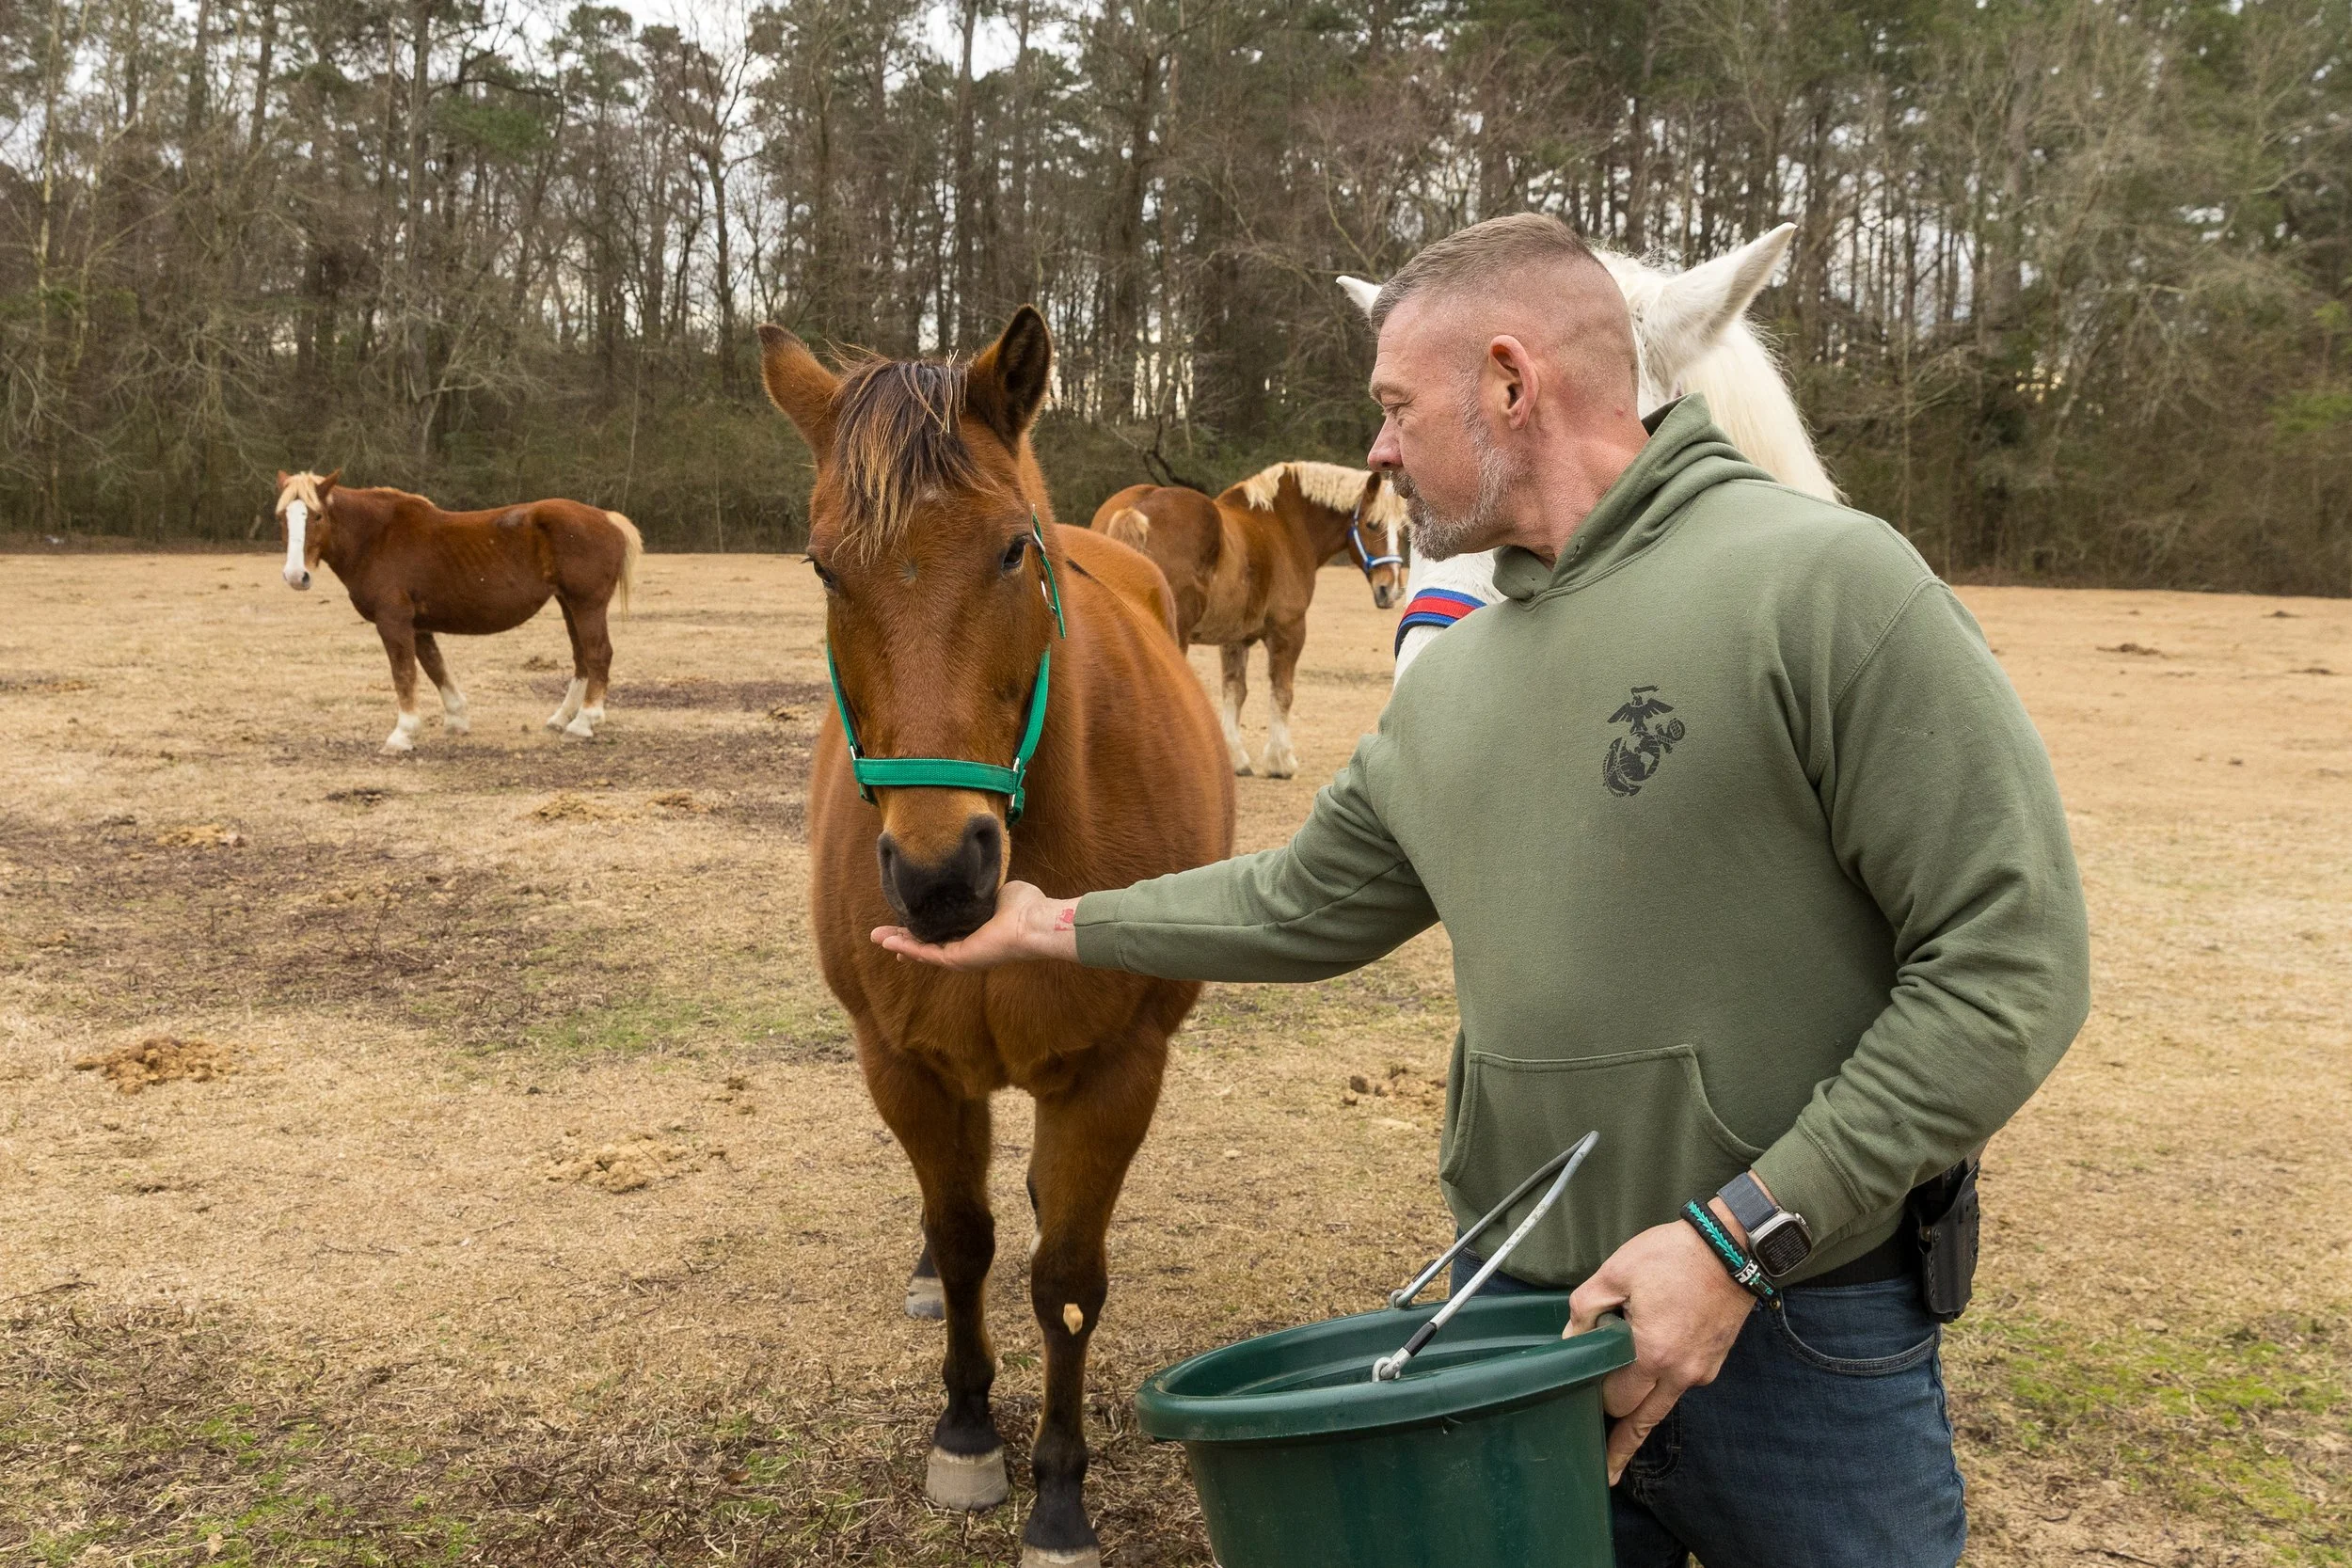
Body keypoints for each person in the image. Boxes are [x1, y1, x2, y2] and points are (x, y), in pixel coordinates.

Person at [876, 213, 2091, 1568]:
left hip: (1803, 1333)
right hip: (1523, 1330)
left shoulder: (1828, 582)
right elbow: (1303, 898)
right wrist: (1056, 921)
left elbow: (2008, 962)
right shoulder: (1453, 675)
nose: (1377, 451)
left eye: (1395, 406)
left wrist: (1739, 1238)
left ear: (1512, 386)